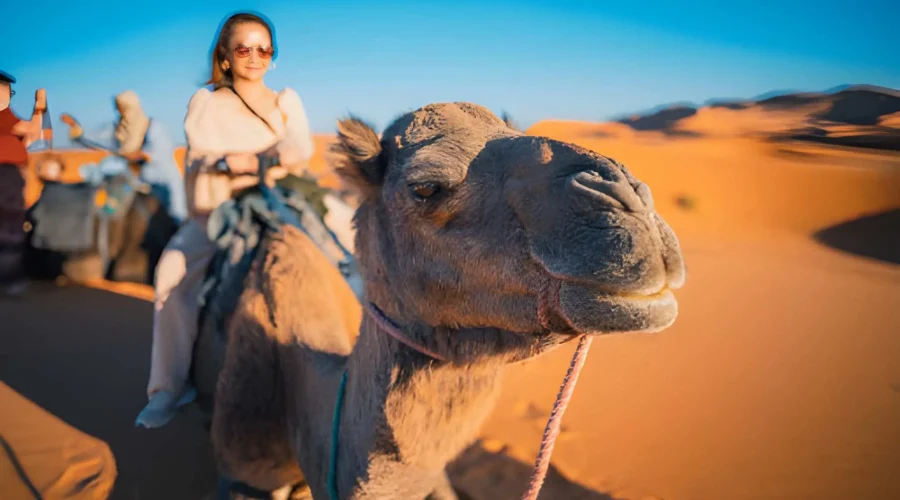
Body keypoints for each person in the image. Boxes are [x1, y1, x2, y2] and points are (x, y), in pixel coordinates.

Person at [135, 11, 316, 428]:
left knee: (350, 258)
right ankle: (167, 388)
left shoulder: (287, 100)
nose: (255, 57)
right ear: (226, 56)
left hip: (282, 206)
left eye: (264, 48)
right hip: (219, 213)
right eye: (244, 48)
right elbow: (204, 148)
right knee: (171, 277)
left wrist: (257, 159)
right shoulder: (207, 101)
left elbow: (300, 148)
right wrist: (246, 160)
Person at [66, 90, 188, 225]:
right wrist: (78, 130)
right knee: (110, 204)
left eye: (125, 108)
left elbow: (160, 152)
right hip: (133, 180)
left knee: (178, 214)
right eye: (120, 109)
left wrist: (137, 155)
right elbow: (97, 138)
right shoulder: (118, 130)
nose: (123, 113)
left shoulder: (154, 127)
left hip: (161, 181)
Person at [0, 70, 45, 296]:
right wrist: (39, 107)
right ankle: (9, 281)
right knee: (9, 227)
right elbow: (34, 132)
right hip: (6, 176)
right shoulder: (5, 117)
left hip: (10, 175)